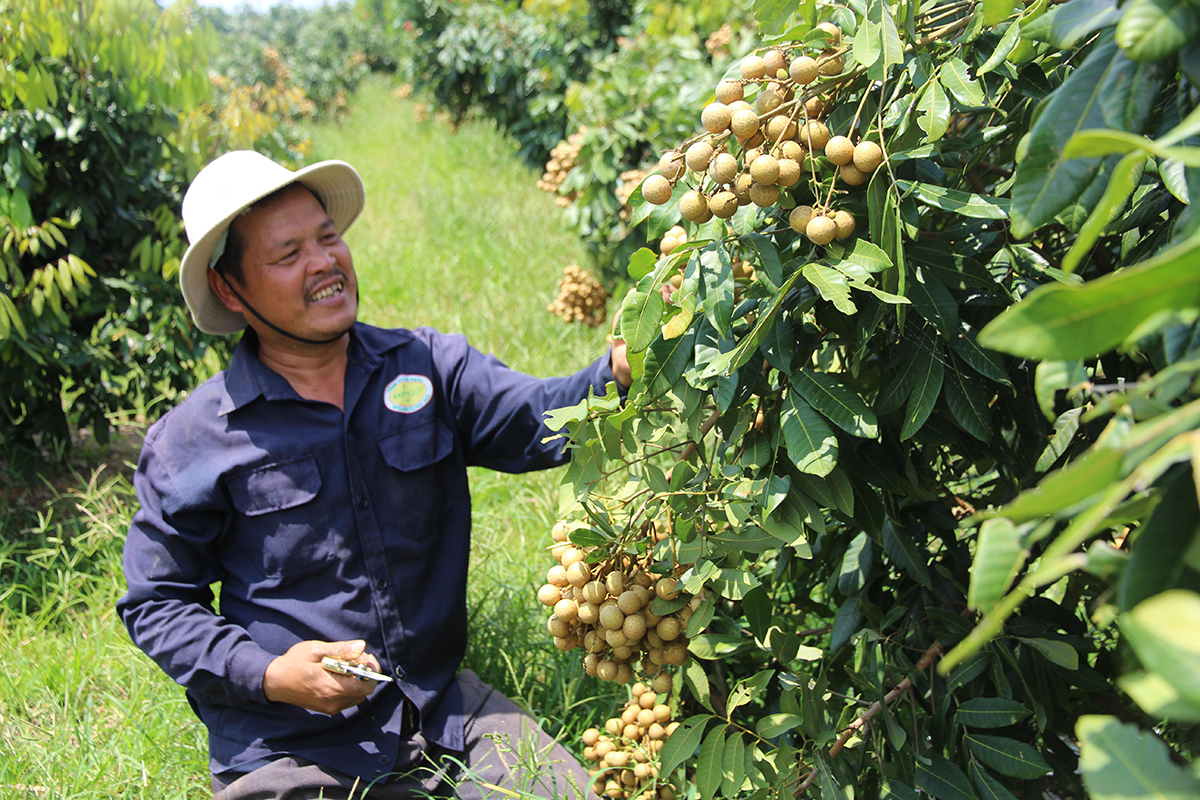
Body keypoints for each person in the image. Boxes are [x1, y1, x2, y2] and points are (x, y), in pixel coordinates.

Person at [117, 150, 631, 799]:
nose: (324, 262)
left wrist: (613, 377)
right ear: (230, 289)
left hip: (446, 712)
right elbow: (158, 603)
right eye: (287, 254)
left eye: (327, 238)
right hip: (289, 749)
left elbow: (534, 418)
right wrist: (273, 672)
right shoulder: (195, 439)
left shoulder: (425, 366)